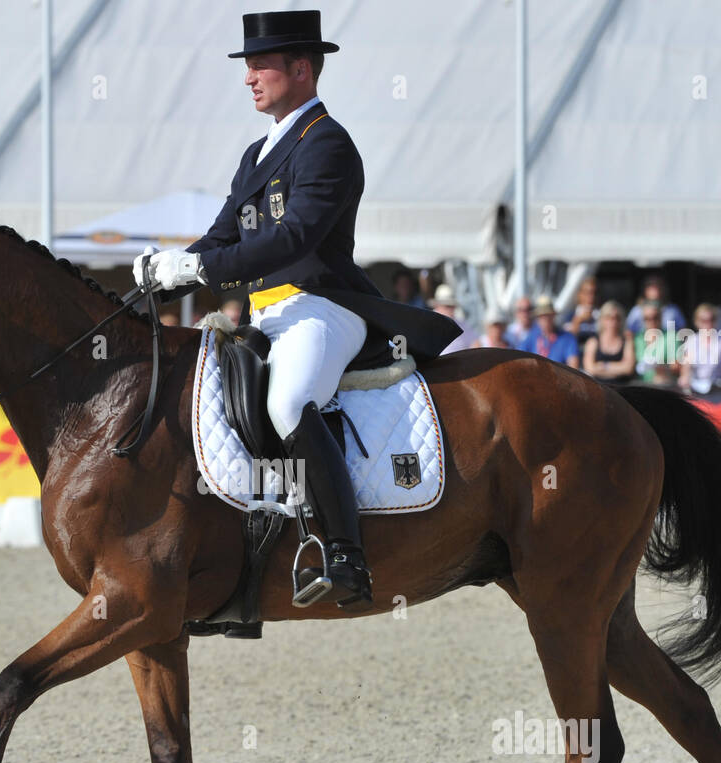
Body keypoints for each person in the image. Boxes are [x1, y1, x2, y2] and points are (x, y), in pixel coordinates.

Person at [132, 9, 460, 609]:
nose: (249, 78)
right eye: (248, 66)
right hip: (266, 315)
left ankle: (345, 555)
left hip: (323, 305)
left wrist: (205, 269)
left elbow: (297, 236)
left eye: (260, 65)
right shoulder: (257, 153)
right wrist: (168, 269)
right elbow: (223, 235)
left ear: (302, 69)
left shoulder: (328, 144)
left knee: (288, 401)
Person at [582, 301, 636, 384]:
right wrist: (619, 367)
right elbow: (589, 369)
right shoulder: (593, 342)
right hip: (598, 389)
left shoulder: (627, 341)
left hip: (621, 390)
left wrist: (603, 365)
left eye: (617, 318)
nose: (613, 322)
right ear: (602, 319)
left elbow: (629, 368)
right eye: (608, 318)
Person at [521, 296, 579, 366]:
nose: (545, 319)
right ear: (537, 318)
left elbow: (573, 366)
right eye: (541, 316)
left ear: (553, 315)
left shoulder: (567, 338)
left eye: (548, 315)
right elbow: (519, 358)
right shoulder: (531, 337)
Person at [633, 302, 678, 385]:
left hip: (664, 385)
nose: (652, 321)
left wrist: (661, 367)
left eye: (655, 317)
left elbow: (676, 366)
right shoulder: (638, 338)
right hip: (640, 385)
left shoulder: (671, 337)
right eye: (647, 318)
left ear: (661, 317)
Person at [429, 283, 477, 353]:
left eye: (452, 306)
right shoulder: (427, 324)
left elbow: (476, 343)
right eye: (446, 306)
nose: (450, 309)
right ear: (437, 306)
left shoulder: (461, 324)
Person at [560, 276, 599, 342]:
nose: (591, 296)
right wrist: (578, 321)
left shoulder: (602, 316)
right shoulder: (569, 317)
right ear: (580, 294)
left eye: (594, 293)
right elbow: (565, 341)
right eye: (587, 293)